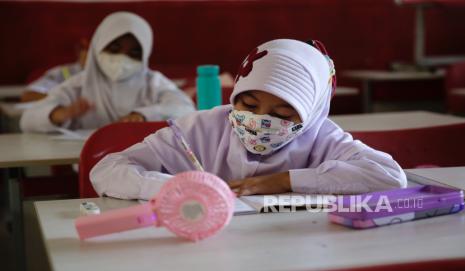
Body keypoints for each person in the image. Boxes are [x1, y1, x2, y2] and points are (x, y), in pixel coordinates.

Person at [90, 39, 407, 200]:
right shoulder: (199, 130)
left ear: (310, 114)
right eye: (249, 104)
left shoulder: (322, 137)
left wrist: (285, 181)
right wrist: (176, 187)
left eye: (282, 114)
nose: (258, 121)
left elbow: (390, 177)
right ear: (235, 95)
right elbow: (107, 169)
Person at [20, 11, 195, 132]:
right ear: (97, 48)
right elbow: (27, 120)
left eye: (134, 53)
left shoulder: (153, 82)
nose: (121, 58)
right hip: (88, 165)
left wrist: (143, 115)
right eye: (114, 49)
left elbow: (186, 109)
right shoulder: (78, 85)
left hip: (143, 166)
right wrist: (60, 114)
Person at [20, 39, 88, 102]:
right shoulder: (65, 72)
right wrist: (63, 99)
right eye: (87, 48)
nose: (90, 54)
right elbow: (28, 95)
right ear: (79, 51)